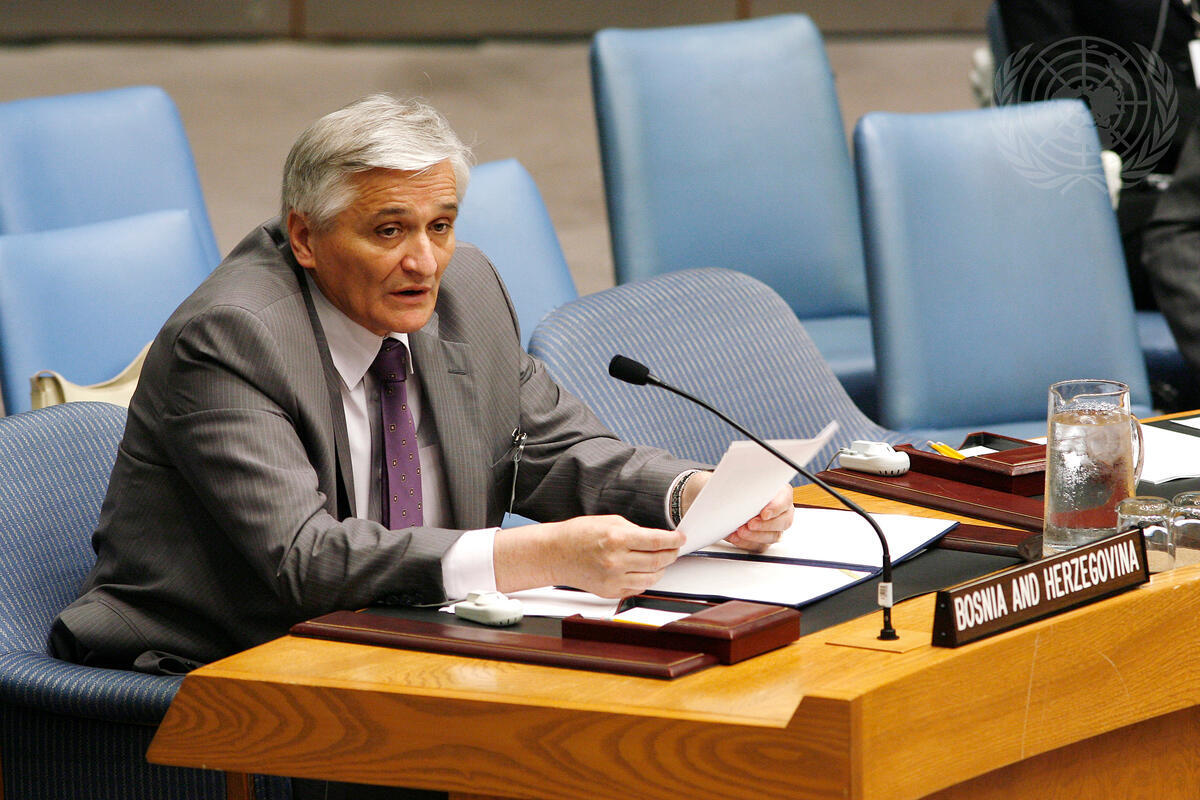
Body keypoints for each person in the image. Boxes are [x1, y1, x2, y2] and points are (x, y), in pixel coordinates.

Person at [50, 94, 794, 677]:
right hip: (225, 661)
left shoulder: (466, 289)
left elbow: (545, 450)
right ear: (305, 238)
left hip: (418, 636)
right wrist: (536, 556)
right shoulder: (231, 339)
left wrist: (692, 494)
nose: (425, 262)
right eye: (389, 231)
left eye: (440, 226)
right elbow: (305, 560)